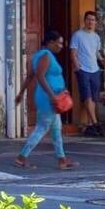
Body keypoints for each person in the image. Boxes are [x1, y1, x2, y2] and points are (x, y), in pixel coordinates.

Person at [14, 31, 79, 171]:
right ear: (50, 42)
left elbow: (29, 77)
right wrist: (52, 95)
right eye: (59, 43)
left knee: (56, 129)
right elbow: (40, 76)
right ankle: (21, 157)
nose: (61, 46)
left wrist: (20, 93)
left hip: (49, 97)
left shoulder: (37, 56)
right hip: (48, 98)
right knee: (42, 127)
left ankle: (62, 160)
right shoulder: (46, 56)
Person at [69, 11, 105, 136]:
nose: (91, 22)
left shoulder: (96, 37)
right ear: (84, 20)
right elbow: (73, 53)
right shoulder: (78, 35)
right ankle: (95, 123)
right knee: (87, 96)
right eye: (89, 19)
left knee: (94, 97)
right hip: (83, 69)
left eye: (93, 20)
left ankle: (90, 125)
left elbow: (96, 53)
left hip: (94, 69)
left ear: (95, 22)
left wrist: (103, 61)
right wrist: (77, 66)